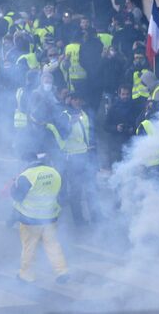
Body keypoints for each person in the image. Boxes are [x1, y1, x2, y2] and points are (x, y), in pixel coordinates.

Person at [10, 152, 69, 283]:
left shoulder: (26, 176)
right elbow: (63, 195)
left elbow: (17, 197)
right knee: (52, 244)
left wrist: (13, 186)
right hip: (49, 217)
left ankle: (26, 275)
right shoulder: (54, 172)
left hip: (30, 219)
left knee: (29, 247)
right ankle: (62, 271)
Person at [58, 92, 98, 225]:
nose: (78, 101)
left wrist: (94, 151)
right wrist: (69, 124)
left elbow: (90, 133)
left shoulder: (85, 113)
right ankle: (78, 219)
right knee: (76, 190)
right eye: (75, 99)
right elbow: (61, 135)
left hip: (86, 156)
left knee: (91, 188)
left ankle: (96, 215)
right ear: (70, 100)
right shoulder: (65, 115)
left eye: (80, 99)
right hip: (73, 158)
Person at [104, 84, 137, 165]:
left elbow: (139, 124)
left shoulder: (135, 107)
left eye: (127, 94)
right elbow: (105, 126)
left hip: (131, 142)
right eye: (123, 94)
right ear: (119, 95)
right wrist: (116, 128)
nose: (125, 96)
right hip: (117, 144)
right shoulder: (113, 108)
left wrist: (133, 129)